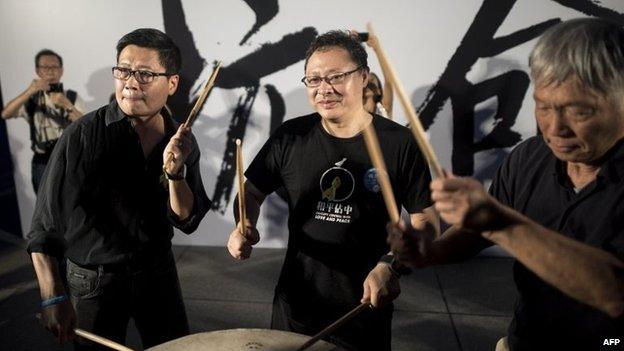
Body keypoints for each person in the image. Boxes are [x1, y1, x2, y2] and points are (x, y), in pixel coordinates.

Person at [387, 18, 624, 351]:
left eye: (579, 112)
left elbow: (615, 293)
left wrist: (499, 223)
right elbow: (476, 233)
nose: (555, 128)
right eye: (543, 106)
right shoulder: (531, 156)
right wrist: (431, 251)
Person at [227, 30, 435, 351]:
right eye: (314, 79)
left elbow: (427, 220)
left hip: (364, 306)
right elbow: (251, 192)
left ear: (363, 77)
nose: (324, 88)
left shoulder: (399, 143)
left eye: (336, 76)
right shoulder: (290, 137)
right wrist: (243, 224)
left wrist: (390, 265)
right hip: (295, 304)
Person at [26, 28, 211, 350]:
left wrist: (175, 173)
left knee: (175, 347)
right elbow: (44, 224)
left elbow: (186, 219)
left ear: (172, 83)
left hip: (157, 271)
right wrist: (52, 296)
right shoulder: (82, 135)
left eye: (145, 74)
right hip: (93, 279)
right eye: (123, 70)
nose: (130, 82)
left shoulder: (180, 139)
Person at [1, 49, 85, 193]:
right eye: (45, 68)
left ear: (61, 71)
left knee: (76, 202)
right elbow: (5, 114)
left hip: (70, 159)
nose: (51, 72)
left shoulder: (71, 97)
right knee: (45, 208)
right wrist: (29, 91)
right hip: (42, 162)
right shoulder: (31, 100)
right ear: (38, 71)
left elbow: (85, 126)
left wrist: (67, 105)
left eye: (54, 67)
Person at [350, 30, 394, 118]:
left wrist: (377, 49)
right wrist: (352, 47)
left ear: (378, 91)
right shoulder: (351, 111)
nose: (368, 82)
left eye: (372, 81)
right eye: (365, 80)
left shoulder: (383, 110)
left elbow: (389, 80)